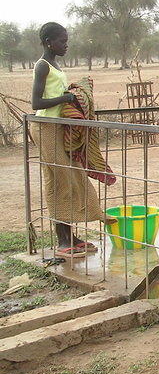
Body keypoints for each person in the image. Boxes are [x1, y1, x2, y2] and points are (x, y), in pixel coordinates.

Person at [32, 22, 111, 258]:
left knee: (72, 176)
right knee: (59, 180)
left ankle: (71, 236)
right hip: (46, 127)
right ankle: (62, 240)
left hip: (58, 127)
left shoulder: (54, 64)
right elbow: (36, 103)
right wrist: (64, 98)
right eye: (62, 41)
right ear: (49, 42)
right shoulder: (42, 66)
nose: (66, 45)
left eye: (66, 40)